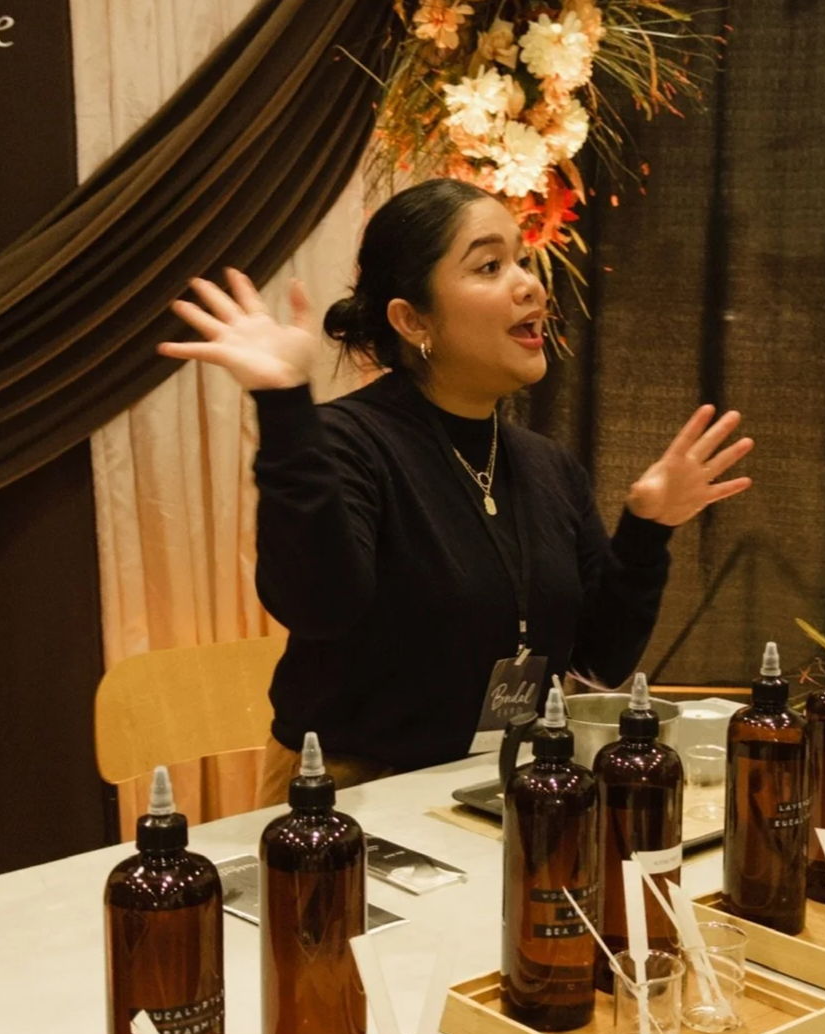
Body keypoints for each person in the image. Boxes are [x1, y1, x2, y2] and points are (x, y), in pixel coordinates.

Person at [157, 179, 755, 804]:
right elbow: (318, 606)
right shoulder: (345, 442)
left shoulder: (547, 465)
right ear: (413, 319)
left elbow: (599, 660)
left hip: (506, 785)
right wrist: (285, 405)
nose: (530, 284)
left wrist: (647, 529)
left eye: (523, 261)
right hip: (348, 792)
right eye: (489, 266)